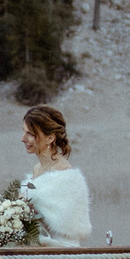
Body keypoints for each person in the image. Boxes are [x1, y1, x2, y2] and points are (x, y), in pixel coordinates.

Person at [18, 105, 92, 246]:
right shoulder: (36, 169)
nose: (23, 138)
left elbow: (69, 227)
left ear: (50, 138)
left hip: (61, 250)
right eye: (24, 132)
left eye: (30, 134)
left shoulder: (64, 175)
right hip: (36, 249)